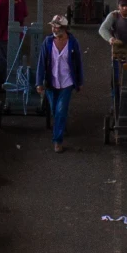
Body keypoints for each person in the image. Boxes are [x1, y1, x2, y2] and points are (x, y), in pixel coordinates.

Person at [33, 15, 85, 151]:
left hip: (67, 83)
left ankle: (57, 141)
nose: (54, 29)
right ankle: (61, 127)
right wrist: (39, 82)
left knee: (61, 110)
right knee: (55, 110)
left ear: (64, 28)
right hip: (51, 82)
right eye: (53, 26)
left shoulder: (72, 42)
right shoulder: (48, 42)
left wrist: (79, 81)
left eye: (57, 27)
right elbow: (41, 63)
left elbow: (78, 63)